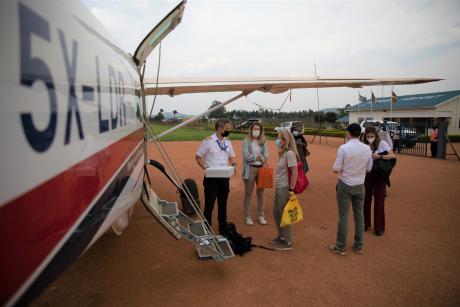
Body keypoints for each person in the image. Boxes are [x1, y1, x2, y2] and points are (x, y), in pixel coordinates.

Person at [330, 123, 372, 256]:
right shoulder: (367, 148)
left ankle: (341, 246)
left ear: (349, 133)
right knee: (359, 216)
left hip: (345, 184)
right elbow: (369, 169)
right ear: (360, 134)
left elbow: (336, 168)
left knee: (344, 215)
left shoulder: (343, 148)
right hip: (360, 185)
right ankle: (359, 245)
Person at [195, 119, 237, 234]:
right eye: (227, 129)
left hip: (224, 178)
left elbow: (232, 156)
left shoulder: (228, 142)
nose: (228, 131)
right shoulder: (208, 141)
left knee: (223, 204)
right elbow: (198, 156)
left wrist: (234, 163)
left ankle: (223, 228)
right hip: (211, 179)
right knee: (209, 205)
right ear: (219, 128)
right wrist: (205, 168)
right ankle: (206, 229)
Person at [362, 126, 395, 236]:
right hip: (367, 174)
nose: (370, 138)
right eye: (368, 136)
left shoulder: (382, 144)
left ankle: (379, 227)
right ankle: (365, 223)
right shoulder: (363, 144)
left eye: (372, 136)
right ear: (365, 136)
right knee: (366, 199)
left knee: (379, 200)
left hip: (380, 175)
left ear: (376, 136)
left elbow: (392, 156)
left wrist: (379, 156)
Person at [270, 130, 299, 251]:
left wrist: (291, 190)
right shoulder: (283, 153)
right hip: (279, 186)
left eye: (279, 138)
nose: (277, 140)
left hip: (284, 188)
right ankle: (281, 236)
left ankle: (288, 242)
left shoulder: (290, 154)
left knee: (283, 214)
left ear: (285, 140)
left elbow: (295, 173)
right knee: (276, 212)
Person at [242, 122, 269, 226]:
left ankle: (261, 215)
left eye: (258, 129)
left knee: (261, 193)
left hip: (261, 169)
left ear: (261, 131)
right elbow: (246, 156)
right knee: (248, 194)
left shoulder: (263, 141)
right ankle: (247, 216)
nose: (257, 131)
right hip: (250, 169)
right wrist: (256, 157)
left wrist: (261, 158)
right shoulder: (246, 141)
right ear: (251, 129)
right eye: (255, 129)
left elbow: (266, 155)